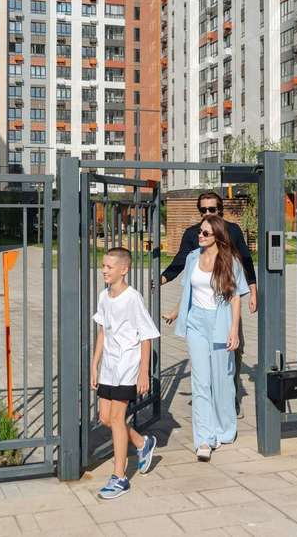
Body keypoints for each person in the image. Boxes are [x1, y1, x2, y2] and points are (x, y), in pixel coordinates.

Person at [160, 192, 256, 415]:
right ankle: (208, 401)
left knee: (232, 352)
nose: (207, 213)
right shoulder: (194, 234)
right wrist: (162, 278)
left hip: (226, 304)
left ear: (220, 209)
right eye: (203, 210)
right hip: (201, 310)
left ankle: (230, 399)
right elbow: (181, 260)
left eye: (211, 209)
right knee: (203, 359)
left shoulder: (232, 230)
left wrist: (253, 290)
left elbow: (246, 260)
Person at [162, 216, 248, 461]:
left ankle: (225, 429)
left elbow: (235, 297)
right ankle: (204, 439)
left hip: (220, 322)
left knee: (222, 380)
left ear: (217, 237)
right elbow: (189, 291)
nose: (200, 236)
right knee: (201, 381)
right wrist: (176, 312)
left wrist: (234, 330)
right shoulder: (192, 258)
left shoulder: (230, 261)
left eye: (205, 233)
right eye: (200, 231)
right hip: (196, 324)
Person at [90, 247, 160, 500]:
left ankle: (119, 477)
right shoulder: (104, 296)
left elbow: (147, 336)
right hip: (108, 367)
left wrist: (143, 372)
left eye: (109, 267)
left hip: (127, 366)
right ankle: (142, 443)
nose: (104, 270)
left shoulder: (132, 298)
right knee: (105, 418)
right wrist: (94, 364)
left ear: (124, 269)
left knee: (117, 419)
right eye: (103, 266)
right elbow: (103, 332)